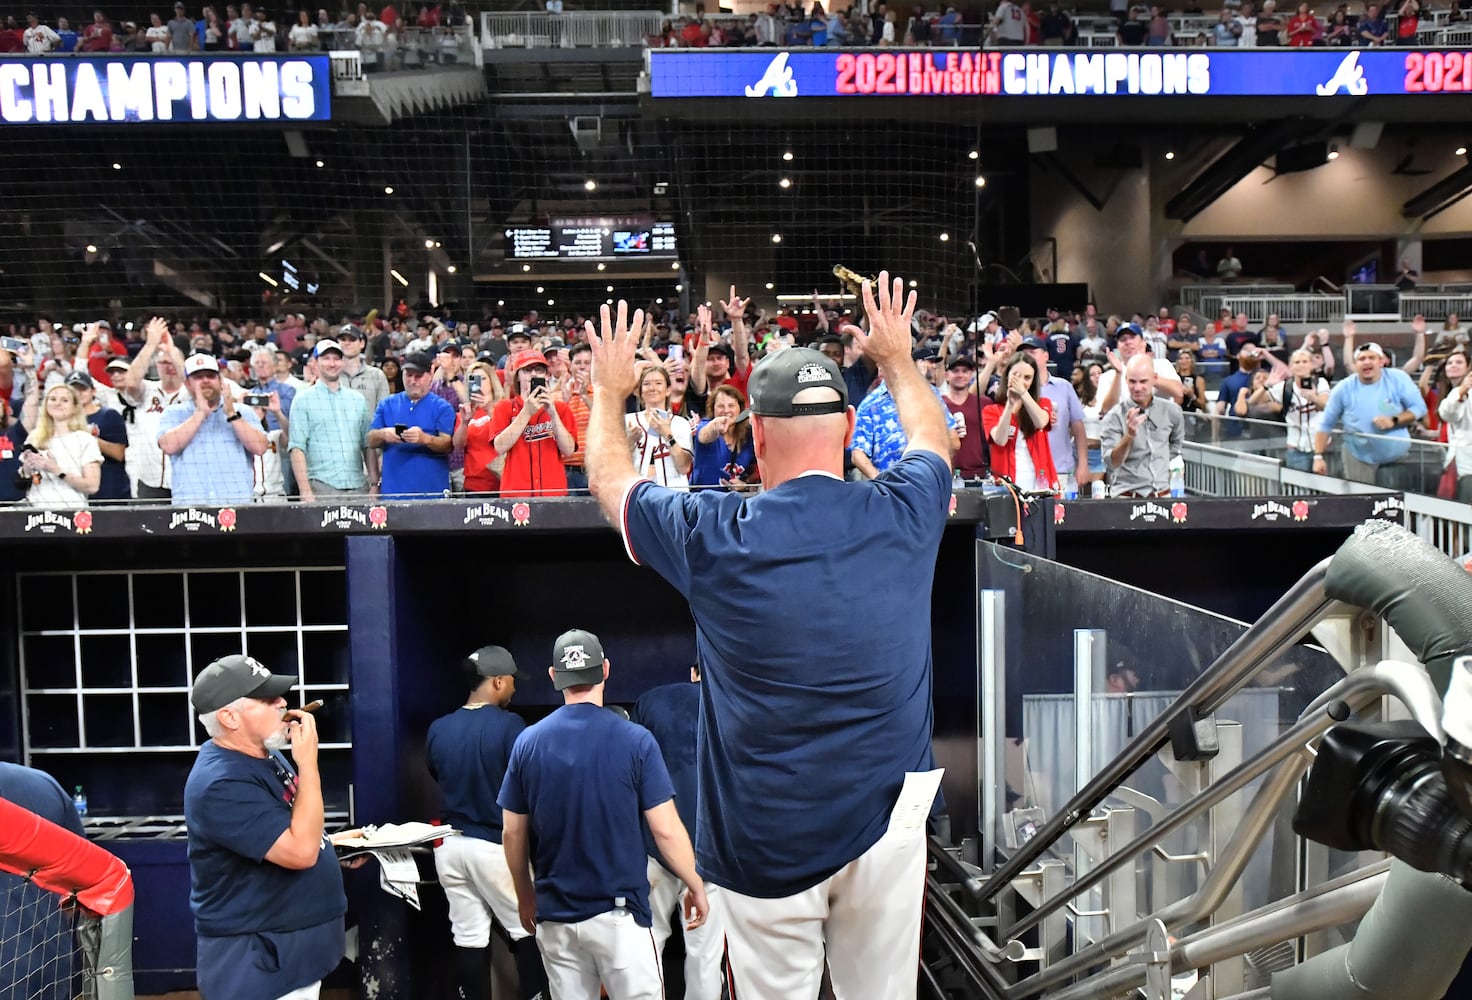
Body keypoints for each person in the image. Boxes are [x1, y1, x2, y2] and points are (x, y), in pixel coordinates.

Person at [583, 274, 950, 999]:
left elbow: (608, 479)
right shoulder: (906, 510)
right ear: (846, 429)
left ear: (755, 431)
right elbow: (932, 438)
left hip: (762, 837)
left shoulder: (714, 532)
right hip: (887, 829)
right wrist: (898, 361)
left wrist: (607, 390)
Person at [498, 630, 709, 1000]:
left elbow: (512, 834)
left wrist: (524, 895)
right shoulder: (635, 740)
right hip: (620, 916)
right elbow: (665, 830)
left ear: (553, 676)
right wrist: (694, 882)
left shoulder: (528, 742)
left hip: (556, 915)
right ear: (606, 670)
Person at [184, 654, 348, 1000]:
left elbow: (291, 829)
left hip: (289, 951)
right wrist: (309, 764)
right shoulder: (220, 781)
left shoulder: (265, 754)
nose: (283, 703)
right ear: (229, 717)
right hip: (257, 959)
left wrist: (334, 845)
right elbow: (300, 852)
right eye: (267, 699)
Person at [426, 645, 548, 1000]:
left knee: (468, 937)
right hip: (495, 846)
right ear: (496, 682)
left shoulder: (439, 727)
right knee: (528, 931)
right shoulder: (511, 726)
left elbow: (437, 772)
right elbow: (530, 786)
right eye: (511, 682)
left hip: (449, 847)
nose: (514, 688)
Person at [631, 663, 726, 1000]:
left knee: (647, 946)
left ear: (692, 672)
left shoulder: (650, 700)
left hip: (655, 844)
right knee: (705, 956)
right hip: (710, 851)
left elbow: (631, 773)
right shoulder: (730, 704)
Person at [158, 354, 269, 506]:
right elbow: (168, 446)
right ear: (187, 383)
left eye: (211, 376)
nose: (205, 381)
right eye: (198, 377)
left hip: (236, 504)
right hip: (190, 507)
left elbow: (260, 447)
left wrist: (232, 415)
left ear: (220, 381)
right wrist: (200, 414)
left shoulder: (242, 411)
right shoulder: (174, 413)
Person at [1313, 342, 1428, 485]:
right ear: (1355, 365)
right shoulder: (1343, 388)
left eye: (1371, 358)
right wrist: (1318, 457)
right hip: (1358, 456)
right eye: (1361, 359)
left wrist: (1395, 420)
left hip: (1398, 456)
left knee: (1395, 502)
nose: (1366, 362)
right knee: (1362, 502)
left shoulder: (1398, 378)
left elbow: (1419, 408)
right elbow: (1325, 424)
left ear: (1381, 361)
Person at [288, 339, 372, 501]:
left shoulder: (357, 399)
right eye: (326, 358)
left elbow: (367, 445)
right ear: (314, 363)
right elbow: (297, 448)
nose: (332, 363)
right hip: (321, 487)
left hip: (358, 486)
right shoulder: (302, 399)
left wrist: (374, 484)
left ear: (342, 362)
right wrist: (305, 491)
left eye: (336, 358)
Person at [114, 317, 188, 501]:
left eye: (172, 362)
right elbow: (130, 382)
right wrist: (151, 344)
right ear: (156, 366)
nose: (168, 366)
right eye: (163, 362)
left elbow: (191, 381)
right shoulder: (147, 390)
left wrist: (171, 350)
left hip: (187, 478)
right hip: (150, 479)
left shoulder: (192, 393)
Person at [489, 350, 577, 498]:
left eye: (539, 370)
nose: (534, 374)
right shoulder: (504, 407)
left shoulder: (560, 408)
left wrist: (553, 414)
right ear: (518, 376)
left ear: (546, 375)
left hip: (553, 491)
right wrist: (526, 413)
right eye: (528, 370)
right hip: (516, 493)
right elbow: (499, 447)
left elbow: (568, 450)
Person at [367, 352, 456, 498]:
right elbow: (370, 440)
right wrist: (383, 434)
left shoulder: (442, 407)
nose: (413, 381)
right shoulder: (387, 404)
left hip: (432, 492)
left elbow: (448, 445)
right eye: (409, 375)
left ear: (430, 374)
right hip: (393, 492)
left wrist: (425, 439)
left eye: (418, 376)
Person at [1100, 355, 1185, 497]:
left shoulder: (1172, 411)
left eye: (1143, 381)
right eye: (1132, 382)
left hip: (1162, 496)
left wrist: (1160, 460)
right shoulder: (1114, 416)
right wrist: (1129, 436)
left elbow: (1176, 444)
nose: (1137, 387)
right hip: (1126, 497)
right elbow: (1111, 462)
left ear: (1154, 378)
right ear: (1126, 380)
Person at [982, 353, 1057, 492]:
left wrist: (1023, 394)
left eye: (1027, 377)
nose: (1021, 381)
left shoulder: (1042, 403)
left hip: (1040, 483)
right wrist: (1010, 405)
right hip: (1007, 486)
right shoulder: (991, 410)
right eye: (1016, 375)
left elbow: (1040, 422)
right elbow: (1000, 440)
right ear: (1007, 376)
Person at [20, 384, 102, 508]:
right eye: (53, 399)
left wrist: (57, 470)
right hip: (35, 513)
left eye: (65, 400)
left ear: (75, 407)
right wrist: (26, 469)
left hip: (72, 512)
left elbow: (92, 486)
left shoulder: (85, 439)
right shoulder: (34, 438)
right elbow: (21, 482)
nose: (57, 403)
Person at [626, 365, 693, 490]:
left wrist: (668, 435)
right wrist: (629, 443)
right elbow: (615, 466)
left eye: (658, 383)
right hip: (636, 493)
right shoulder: (628, 421)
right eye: (646, 384)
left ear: (668, 390)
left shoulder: (680, 423)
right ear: (639, 392)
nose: (652, 388)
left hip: (674, 493)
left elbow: (684, 467)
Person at [690, 385, 756, 491]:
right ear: (713, 409)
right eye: (720, 406)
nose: (726, 410)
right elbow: (704, 436)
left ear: (740, 408)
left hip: (735, 503)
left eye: (731, 405)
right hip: (703, 501)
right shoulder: (705, 425)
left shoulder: (749, 435)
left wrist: (745, 485)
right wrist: (715, 426)